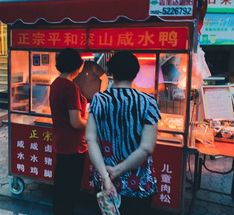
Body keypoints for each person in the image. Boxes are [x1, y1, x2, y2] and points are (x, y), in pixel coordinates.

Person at [86, 51, 161, 215]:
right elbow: (146, 148)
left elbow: (91, 140)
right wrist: (119, 170)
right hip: (138, 183)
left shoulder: (98, 99)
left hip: (105, 182)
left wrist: (106, 176)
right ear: (136, 73)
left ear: (111, 72)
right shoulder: (148, 102)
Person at [49, 48, 88, 215]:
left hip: (61, 142)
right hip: (73, 145)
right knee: (70, 188)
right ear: (77, 66)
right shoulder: (70, 87)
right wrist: (92, 123)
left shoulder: (56, 83)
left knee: (61, 185)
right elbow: (76, 122)